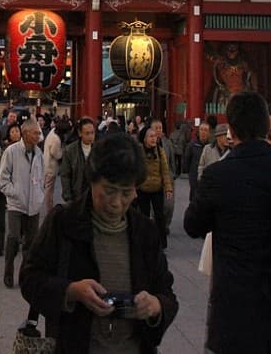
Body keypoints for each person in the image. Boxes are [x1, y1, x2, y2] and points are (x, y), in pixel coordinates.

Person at [184, 91, 271, 354]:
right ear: (265, 126)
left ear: (232, 128)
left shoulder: (218, 175)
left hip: (234, 300)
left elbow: (193, 225)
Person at [20, 132, 178, 353]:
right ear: (92, 181)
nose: (117, 202)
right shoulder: (63, 222)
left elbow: (167, 293)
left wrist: (155, 306)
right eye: (109, 191)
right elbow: (29, 278)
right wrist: (71, 291)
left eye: (126, 193)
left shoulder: (146, 232)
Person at [0, 118, 45, 336]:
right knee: (13, 237)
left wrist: (40, 195)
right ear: (26, 133)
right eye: (35, 133)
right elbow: (3, 177)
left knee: (31, 243)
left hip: (33, 204)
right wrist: (14, 192)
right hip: (16, 204)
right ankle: (8, 269)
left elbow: (42, 175)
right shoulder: (11, 152)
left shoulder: (39, 153)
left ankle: (24, 274)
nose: (38, 136)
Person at [135, 126, 172, 248]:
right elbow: (135, 170)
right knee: (144, 216)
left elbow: (165, 171)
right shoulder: (139, 151)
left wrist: (168, 188)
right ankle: (145, 241)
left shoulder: (160, 152)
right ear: (144, 139)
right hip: (142, 188)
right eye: (151, 136)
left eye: (155, 136)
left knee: (159, 216)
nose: (153, 139)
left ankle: (162, 243)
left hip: (157, 188)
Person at [59, 117, 96, 203]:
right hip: (77, 193)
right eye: (87, 133)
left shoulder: (98, 149)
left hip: (94, 194)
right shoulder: (70, 150)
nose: (90, 136)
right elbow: (65, 174)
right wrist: (68, 196)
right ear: (80, 133)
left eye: (92, 133)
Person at [42, 116, 70, 209]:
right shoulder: (56, 139)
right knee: (49, 190)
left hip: (47, 163)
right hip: (51, 167)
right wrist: (64, 151)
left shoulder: (52, 132)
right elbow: (57, 154)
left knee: (48, 188)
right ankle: (49, 208)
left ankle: (49, 207)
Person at [184, 122, 209, 202]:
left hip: (207, 176)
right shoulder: (192, 144)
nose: (203, 132)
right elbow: (187, 159)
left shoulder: (211, 146)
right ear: (198, 131)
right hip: (194, 175)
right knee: (194, 199)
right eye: (201, 129)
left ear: (209, 133)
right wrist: (190, 173)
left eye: (205, 130)